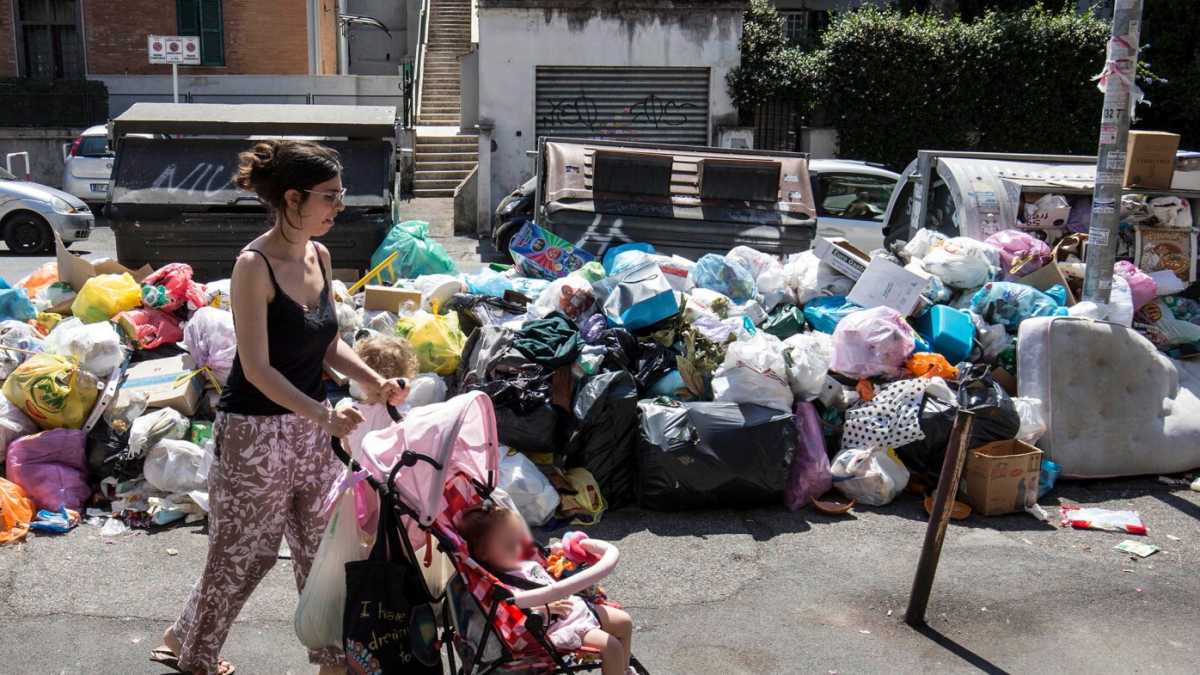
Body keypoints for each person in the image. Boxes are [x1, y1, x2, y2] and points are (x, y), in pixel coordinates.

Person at [151, 140, 408, 675]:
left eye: (341, 196)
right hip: (253, 433)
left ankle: (332, 659)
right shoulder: (254, 266)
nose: (338, 207)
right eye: (329, 197)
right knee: (244, 555)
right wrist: (324, 415)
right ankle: (194, 654)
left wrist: (376, 382)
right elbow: (258, 367)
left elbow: (326, 344)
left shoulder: (321, 255)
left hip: (312, 433)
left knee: (322, 551)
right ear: (293, 198)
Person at [460, 505, 635, 675]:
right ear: (484, 553)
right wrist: (543, 609)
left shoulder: (525, 563)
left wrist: (562, 552)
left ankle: (622, 670)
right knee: (611, 646)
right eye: (507, 544)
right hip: (556, 627)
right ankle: (617, 667)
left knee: (624, 622)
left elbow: (549, 566)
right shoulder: (502, 587)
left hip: (575, 608)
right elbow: (510, 612)